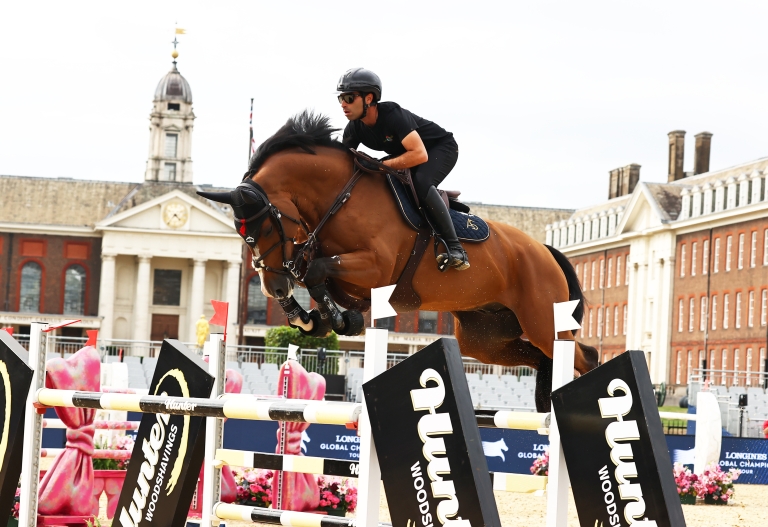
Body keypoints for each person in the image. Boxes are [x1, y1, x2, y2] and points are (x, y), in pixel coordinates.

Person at [337, 67, 469, 271]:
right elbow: (341, 162)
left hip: (439, 148)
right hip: (409, 153)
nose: (343, 104)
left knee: (422, 182)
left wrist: (381, 165)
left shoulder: (392, 114)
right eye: (340, 99)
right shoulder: (354, 128)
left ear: (369, 98)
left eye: (349, 97)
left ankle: (456, 249)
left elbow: (419, 155)